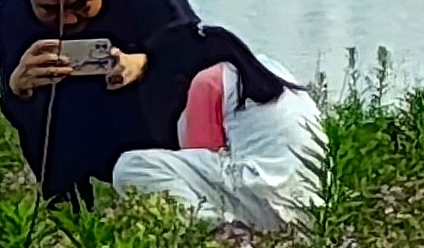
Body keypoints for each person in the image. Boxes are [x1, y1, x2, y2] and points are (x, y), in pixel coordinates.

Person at [0, 0, 196, 204]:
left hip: (147, 119)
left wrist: (144, 63)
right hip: (64, 132)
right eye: (49, 9)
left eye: (80, 4)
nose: (67, 20)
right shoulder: (9, 13)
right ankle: (67, 212)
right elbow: (21, 116)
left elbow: (197, 52)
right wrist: (18, 89)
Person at [112, 23, 328, 230]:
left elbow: (199, 157)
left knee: (132, 166)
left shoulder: (208, 81)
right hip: (315, 206)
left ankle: (216, 231)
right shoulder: (273, 71)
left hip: (266, 199)